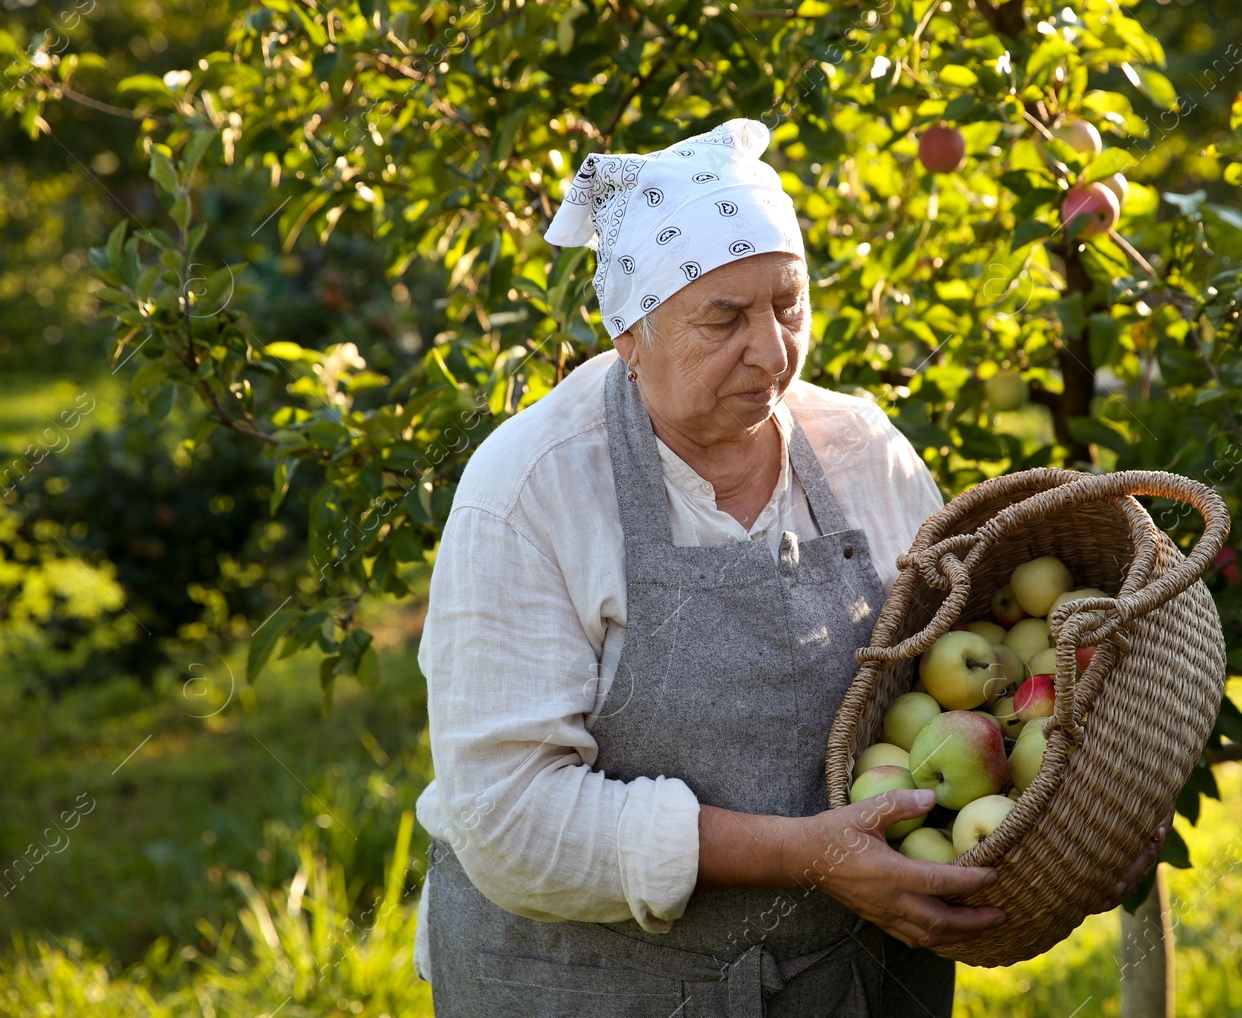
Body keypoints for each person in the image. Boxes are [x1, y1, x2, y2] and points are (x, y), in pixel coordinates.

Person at [412, 117, 1169, 1017]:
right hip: (596, 987)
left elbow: (961, 680)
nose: (772, 352)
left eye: (788, 304)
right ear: (631, 335)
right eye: (723, 318)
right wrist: (805, 852)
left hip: (852, 983)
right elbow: (509, 817)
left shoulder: (859, 454)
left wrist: (1085, 811)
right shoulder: (533, 489)